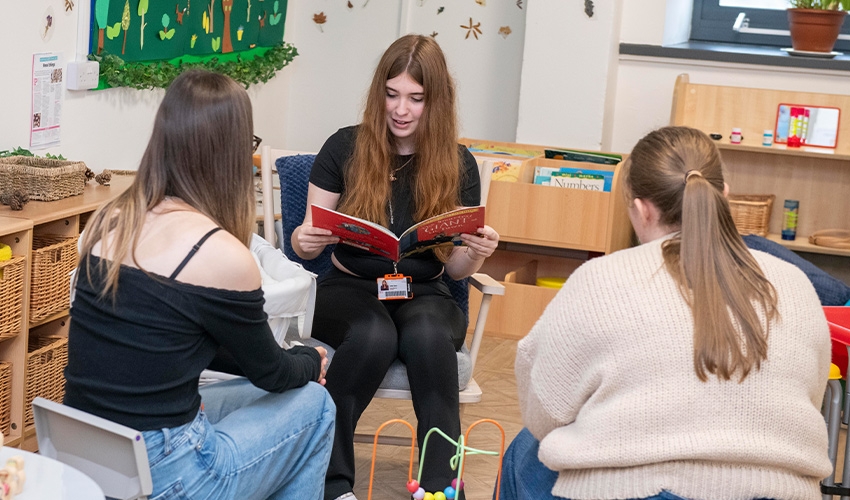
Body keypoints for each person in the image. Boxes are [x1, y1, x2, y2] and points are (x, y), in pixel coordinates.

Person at [499, 126, 832, 500]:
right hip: (781, 491)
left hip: (647, 489)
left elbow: (545, 413)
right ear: (724, 195)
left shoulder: (600, 279)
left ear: (641, 210)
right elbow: (812, 394)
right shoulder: (795, 283)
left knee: (524, 452)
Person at [64, 69, 335, 500]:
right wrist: (311, 359)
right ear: (232, 152)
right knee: (315, 405)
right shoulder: (222, 254)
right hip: (163, 471)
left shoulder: (108, 221)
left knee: (242, 394)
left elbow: (167, 344)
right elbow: (272, 372)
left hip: (85, 453)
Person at [292, 34, 499, 500]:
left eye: (416, 98)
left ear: (436, 101)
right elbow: (307, 243)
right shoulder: (343, 147)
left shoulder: (457, 162)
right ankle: (332, 484)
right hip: (348, 287)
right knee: (372, 336)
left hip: (425, 291)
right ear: (378, 93)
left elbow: (459, 270)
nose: (400, 109)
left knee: (427, 337)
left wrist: (476, 251)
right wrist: (303, 240)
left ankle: (440, 487)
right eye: (391, 94)